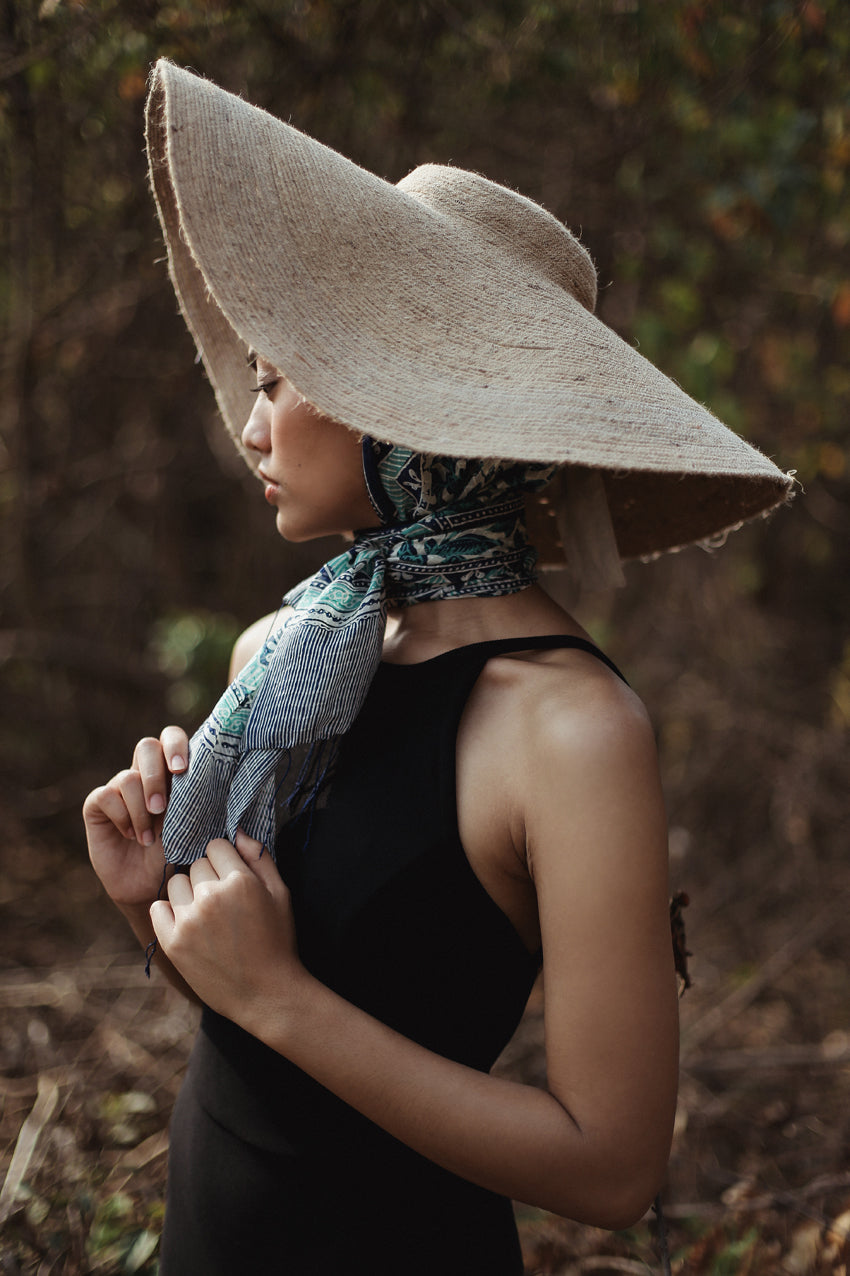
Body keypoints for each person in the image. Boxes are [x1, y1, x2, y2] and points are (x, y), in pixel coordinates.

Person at [82, 61, 791, 1275]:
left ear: (401, 407)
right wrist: (154, 902)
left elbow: (613, 1169)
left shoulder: (571, 729)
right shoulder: (287, 653)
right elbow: (254, 1037)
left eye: (272, 381)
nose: (248, 427)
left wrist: (280, 997)